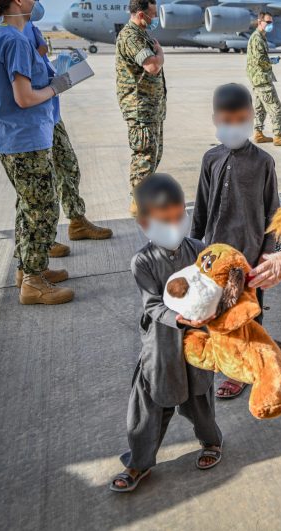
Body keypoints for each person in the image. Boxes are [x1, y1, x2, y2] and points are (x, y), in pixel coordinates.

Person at [110, 174, 223, 493]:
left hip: (196, 342)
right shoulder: (142, 262)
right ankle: (138, 462)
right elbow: (152, 306)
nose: (175, 225)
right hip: (160, 346)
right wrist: (181, 317)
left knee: (200, 397)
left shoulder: (201, 250)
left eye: (179, 217)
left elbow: (215, 285)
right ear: (146, 223)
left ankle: (211, 443)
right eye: (165, 220)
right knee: (149, 405)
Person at [0, 9, 114, 262]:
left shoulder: (24, 26)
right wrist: (55, 86)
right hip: (26, 122)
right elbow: (19, 85)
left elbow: (36, 62)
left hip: (45, 114)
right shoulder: (7, 31)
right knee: (36, 197)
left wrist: (58, 69)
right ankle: (36, 247)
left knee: (66, 168)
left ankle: (72, 223)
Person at [0, 0, 75, 305]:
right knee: (43, 209)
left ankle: (29, 270)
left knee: (28, 204)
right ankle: (34, 282)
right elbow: (23, 98)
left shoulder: (4, 33)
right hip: (24, 136)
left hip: (17, 134)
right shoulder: (13, 39)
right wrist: (57, 86)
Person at [191, 83, 280, 400]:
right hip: (215, 255)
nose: (233, 126)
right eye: (226, 120)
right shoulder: (210, 159)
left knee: (248, 314)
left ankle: (243, 369)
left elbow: (273, 212)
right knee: (218, 313)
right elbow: (201, 208)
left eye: (240, 119)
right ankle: (230, 357)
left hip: (248, 257)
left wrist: (267, 256)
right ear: (215, 119)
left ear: (251, 118)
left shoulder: (263, 163)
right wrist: (193, 250)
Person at [116, 0, 167, 216]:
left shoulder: (142, 34)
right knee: (144, 156)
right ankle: (139, 204)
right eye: (152, 14)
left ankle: (145, 197)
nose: (154, 19)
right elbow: (152, 66)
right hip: (140, 108)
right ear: (140, 14)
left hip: (151, 107)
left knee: (153, 154)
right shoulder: (131, 36)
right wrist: (161, 54)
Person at [246, 12, 281, 146]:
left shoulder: (260, 37)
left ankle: (258, 133)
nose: (270, 25)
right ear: (259, 22)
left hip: (257, 79)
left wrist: (269, 60)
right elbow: (260, 60)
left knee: (260, 108)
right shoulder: (257, 38)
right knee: (275, 106)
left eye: (271, 22)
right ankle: (278, 136)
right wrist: (271, 61)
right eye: (267, 22)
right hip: (262, 79)